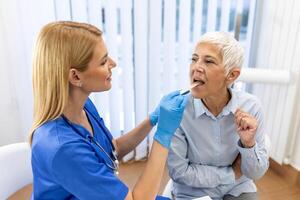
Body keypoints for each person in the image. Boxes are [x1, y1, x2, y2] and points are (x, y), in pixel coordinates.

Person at [30, 21, 188, 200]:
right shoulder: (63, 148)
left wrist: (152, 119)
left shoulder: (82, 106)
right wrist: (164, 135)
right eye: (104, 61)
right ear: (75, 76)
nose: (113, 64)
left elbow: (113, 150)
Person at [167, 32, 269, 200]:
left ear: (232, 75)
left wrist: (248, 144)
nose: (196, 67)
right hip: (192, 191)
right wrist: (232, 174)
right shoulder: (178, 109)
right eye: (194, 59)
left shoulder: (251, 106)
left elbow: (255, 173)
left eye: (208, 61)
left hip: (238, 188)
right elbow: (179, 172)